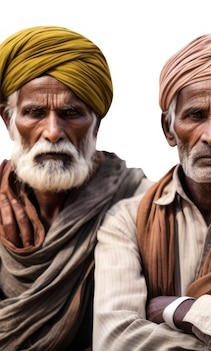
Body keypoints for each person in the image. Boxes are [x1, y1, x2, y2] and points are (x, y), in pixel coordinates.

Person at [92, 33, 211, 350]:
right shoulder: (127, 221)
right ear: (169, 129)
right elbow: (115, 338)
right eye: (195, 116)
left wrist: (180, 308)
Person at [0, 26, 150, 350]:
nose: (53, 132)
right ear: (8, 119)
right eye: (35, 113)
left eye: (71, 114)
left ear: (96, 122)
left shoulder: (141, 204)